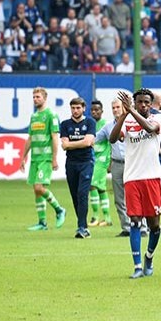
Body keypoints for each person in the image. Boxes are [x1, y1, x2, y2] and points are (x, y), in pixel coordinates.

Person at [109, 89, 161, 279]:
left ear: (151, 104)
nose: (143, 105)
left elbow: (150, 129)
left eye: (146, 102)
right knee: (134, 221)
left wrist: (131, 110)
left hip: (152, 177)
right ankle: (138, 266)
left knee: (154, 225)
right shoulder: (128, 120)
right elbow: (112, 138)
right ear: (135, 102)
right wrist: (124, 115)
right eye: (139, 102)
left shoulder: (158, 119)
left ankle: (149, 257)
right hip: (132, 178)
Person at [18, 87, 67, 231]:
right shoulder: (34, 117)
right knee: (36, 189)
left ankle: (59, 210)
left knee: (40, 187)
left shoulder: (51, 115)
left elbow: (54, 137)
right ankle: (42, 222)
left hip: (45, 158)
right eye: (34, 97)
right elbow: (30, 138)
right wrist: (23, 156)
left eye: (38, 97)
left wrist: (54, 158)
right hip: (35, 158)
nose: (35, 99)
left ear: (45, 98)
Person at [59, 97, 96, 238]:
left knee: (82, 193)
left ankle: (82, 227)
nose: (75, 110)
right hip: (71, 163)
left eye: (78, 108)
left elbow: (87, 143)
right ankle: (82, 225)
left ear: (84, 108)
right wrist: (82, 142)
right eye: (73, 108)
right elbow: (64, 145)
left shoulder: (89, 122)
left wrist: (72, 144)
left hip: (86, 162)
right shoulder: (65, 124)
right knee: (75, 195)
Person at [95, 99, 130, 237]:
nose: (115, 110)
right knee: (119, 198)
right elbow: (95, 139)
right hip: (116, 164)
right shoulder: (108, 127)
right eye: (113, 107)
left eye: (118, 107)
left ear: (124, 108)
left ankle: (143, 227)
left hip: (132, 163)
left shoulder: (132, 123)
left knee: (137, 196)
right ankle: (126, 227)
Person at [88, 100, 113, 227]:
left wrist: (110, 162)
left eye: (97, 110)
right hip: (92, 160)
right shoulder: (90, 124)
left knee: (91, 185)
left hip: (102, 161)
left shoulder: (106, 125)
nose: (94, 112)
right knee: (101, 189)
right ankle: (107, 218)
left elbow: (111, 144)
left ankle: (95, 216)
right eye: (92, 110)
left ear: (102, 111)